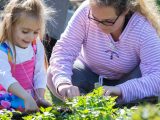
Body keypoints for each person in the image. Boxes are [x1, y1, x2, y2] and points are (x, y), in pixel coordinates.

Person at [47, 0, 160, 104]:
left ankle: (118, 103)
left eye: (108, 21)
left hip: (127, 82)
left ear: (125, 11)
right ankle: (84, 103)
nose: (100, 26)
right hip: (88, 76)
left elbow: (156, 76)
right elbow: (64, 50)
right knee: (53, 72)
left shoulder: (143, 28)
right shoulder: (86, 11)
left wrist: (120, 90)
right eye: (95, 18)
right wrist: (64, 83)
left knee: (149, 83)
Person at [0, 0, 53, 112]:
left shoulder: (36, 45)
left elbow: (40, 73)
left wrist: (39, 97)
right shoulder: (3, 49)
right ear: (10, 25)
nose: (30, 37)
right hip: (6, 100)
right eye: (25, 31)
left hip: (29, 100)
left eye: (35, 32)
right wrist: (26, 97)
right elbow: (4, 77)